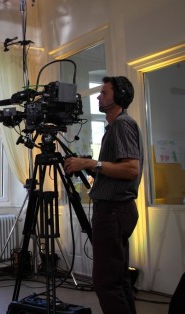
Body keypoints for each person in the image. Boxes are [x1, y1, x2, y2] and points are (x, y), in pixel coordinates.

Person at [64, 76, 143, 314]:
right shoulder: (116, 126)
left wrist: (92, 163)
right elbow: (114, 171)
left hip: (114, 211)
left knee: (106, 282)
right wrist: (90, 165)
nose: (99, 96)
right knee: (118, 280)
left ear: (118, 97)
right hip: (116, 210)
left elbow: (131, 169)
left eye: (104, 93)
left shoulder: (122, 124)